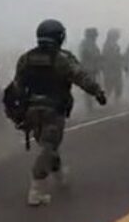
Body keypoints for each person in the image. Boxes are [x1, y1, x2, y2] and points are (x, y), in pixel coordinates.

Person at [7, 19, 106, 206]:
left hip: (31, 111)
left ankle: (60, 174)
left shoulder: (26, 58)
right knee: (48, 147)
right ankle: (36, 190)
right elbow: (80, 76)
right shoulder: (61, 58)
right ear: (60, 36)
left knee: (48, 145)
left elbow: (17, 86)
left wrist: (18, 113)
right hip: (53, 109)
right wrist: (97, 92)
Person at [78, 27, 102, 113]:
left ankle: (90, 106)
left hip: (92, 69)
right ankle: (89, 107)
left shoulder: (92, 44)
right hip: (88, 69)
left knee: (92, 87)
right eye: (94, 35)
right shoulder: (86, 44)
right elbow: (86, 55)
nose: (96, 37)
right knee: (89, 87)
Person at [102, 28, 124, 103]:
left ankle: (115, 101)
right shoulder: (108, 45)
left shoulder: (114, 45)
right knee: (109, 86)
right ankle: (106, 101)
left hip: (115, 68)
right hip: (110, 69)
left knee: (117, 86)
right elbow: (107, 57)